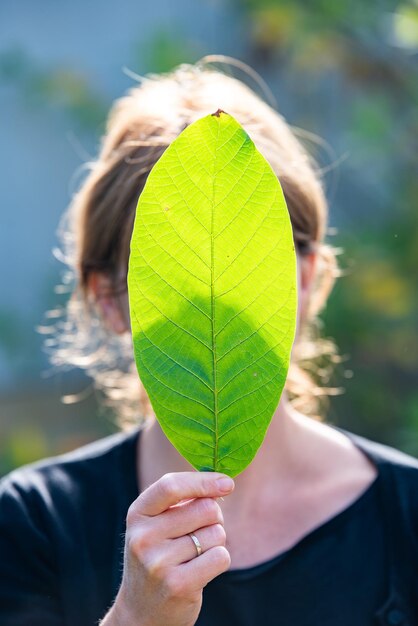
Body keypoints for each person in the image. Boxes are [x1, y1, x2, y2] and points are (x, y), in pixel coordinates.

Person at [1, 58, 417, 626]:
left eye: (253, 265)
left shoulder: (409, 515)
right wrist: (133, 618)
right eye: (171, 278)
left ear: (308, 278)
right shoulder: (34, 522)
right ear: (108, 299)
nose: (215, 304)